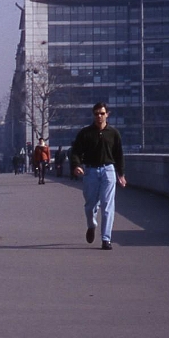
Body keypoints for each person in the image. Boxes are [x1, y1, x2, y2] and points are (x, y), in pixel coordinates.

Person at [69, 102, 127, 250]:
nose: (99, 116)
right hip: (91, 172)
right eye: (96, 114)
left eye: (102, 113)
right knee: (90, 205)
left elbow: (118, 154)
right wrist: (76, 165)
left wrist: (121, 174)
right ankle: (91, 224)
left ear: (107, 114)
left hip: (108, 171)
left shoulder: (113, 133)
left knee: (108, 205)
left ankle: (106, 239)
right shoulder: (85, 133)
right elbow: (75, 151)